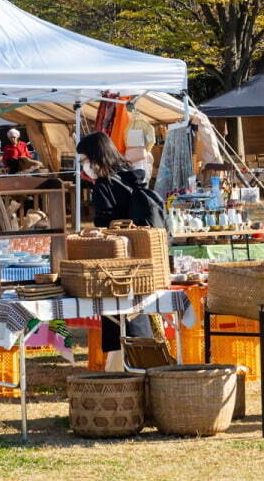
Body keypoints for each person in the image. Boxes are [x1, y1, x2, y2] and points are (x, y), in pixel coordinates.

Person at [77, 131, 167, 368]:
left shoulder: (104, 185)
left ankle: (123, 366)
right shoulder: (132, 177)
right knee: (137, 309)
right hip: (144, 255)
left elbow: (105, 223)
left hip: (117, 262)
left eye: (84, 159)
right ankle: (141, 358)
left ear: (95, 158)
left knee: (117, 313)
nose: (84, 165)